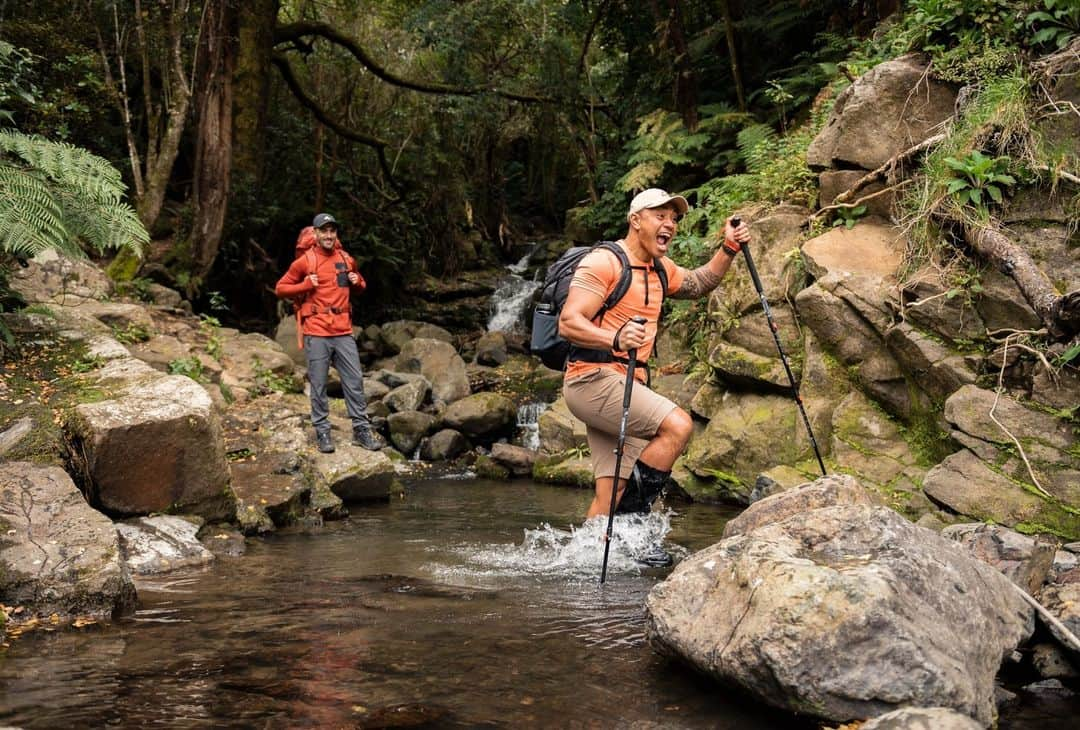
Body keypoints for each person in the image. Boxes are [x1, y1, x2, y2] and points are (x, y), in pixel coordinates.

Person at [558, 188, 750, 562]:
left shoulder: (660, 268)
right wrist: (613, 337)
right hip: (592, 379)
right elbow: (569, 322)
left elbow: (698, 284)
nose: (670, 224)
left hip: (628, 386)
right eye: (660, 215)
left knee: (611, 491)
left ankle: (580, 562)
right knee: (677, 425)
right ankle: (634, 530)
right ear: (636, 221)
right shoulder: (604, 262)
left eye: (674, 218)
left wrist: (728, 249)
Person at [275, 213, 383, 453]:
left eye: (332, 231)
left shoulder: (346, 259)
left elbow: (361, 286)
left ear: (336, 234)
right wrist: (305, 285)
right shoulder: (305, 261)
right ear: (315, 234)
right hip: (317, 331)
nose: (329, 235)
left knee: (354, 382)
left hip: (343, 330)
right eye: (324, 231)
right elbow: (281, 288)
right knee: (320, 383)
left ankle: (361, 431)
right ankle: (323, 432)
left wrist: (358, 282)